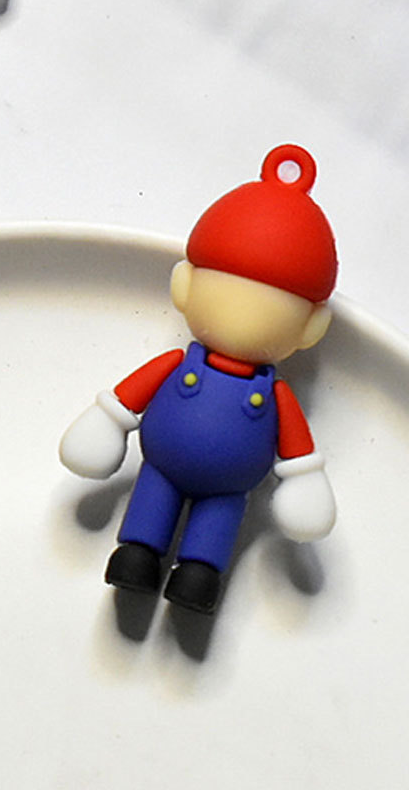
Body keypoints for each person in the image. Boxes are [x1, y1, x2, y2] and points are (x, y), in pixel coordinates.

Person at [59, 144, 337, 614]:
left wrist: (305, 481)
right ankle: (138, 554)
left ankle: (199, 573)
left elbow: (297, 449)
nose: (244, 318)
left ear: (311, 328)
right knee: (150, 510)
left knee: (214, 528)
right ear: (184, 286)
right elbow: (127, 400)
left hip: (229, 488)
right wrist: (107, 422)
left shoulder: (275, 394)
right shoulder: (176, 363)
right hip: (161, 468)